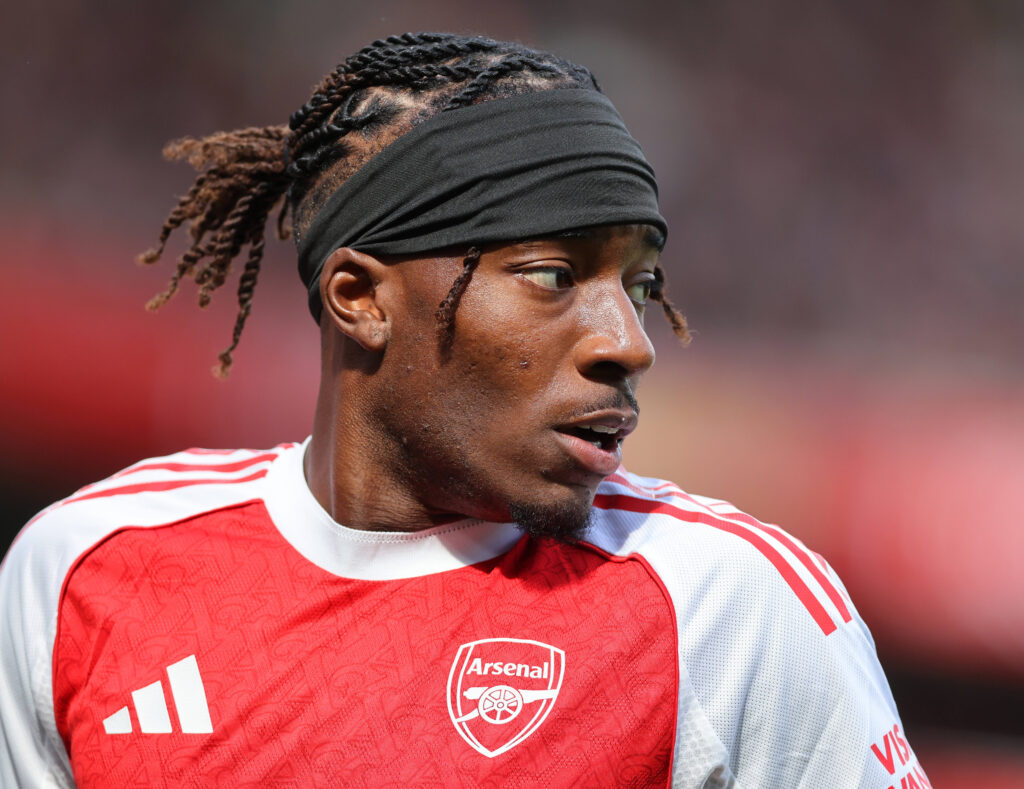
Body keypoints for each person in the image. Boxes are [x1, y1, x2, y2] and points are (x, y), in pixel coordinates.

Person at [0, 32, 930, 788]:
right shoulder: (88, 568)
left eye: (639, 283)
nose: (630, 341)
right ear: (361, 298)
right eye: (553, 275)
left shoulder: (725, 602)